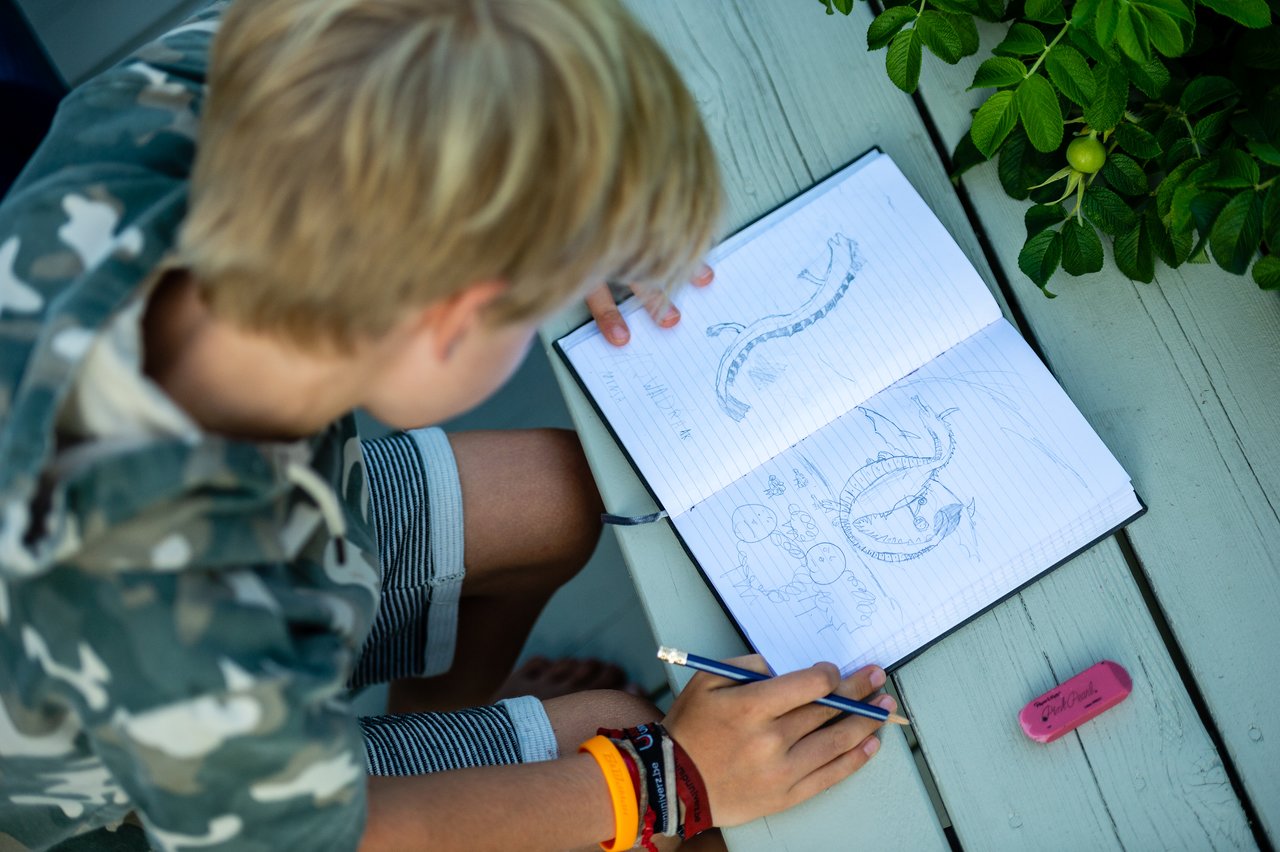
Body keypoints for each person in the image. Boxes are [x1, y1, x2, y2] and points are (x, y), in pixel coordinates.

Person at [0, 1, 895, 849]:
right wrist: (671, 779)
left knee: (553, 498)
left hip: (278, 537)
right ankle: (416, 742)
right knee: (613, 731)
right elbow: (321, 837)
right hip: (152, 782)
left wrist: (542, 194)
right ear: (452, 319)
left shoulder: (182, 106)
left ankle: (430, 725)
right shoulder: (171, 604)